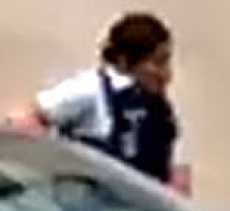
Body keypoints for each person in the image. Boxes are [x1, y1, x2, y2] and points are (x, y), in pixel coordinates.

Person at [4, 12, 187, 190]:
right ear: (124, 61)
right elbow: (26, 118)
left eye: (166, 62)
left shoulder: (159, 108)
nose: (166, 74)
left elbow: (175, 173)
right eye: (157, 63)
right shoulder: (91, 88)